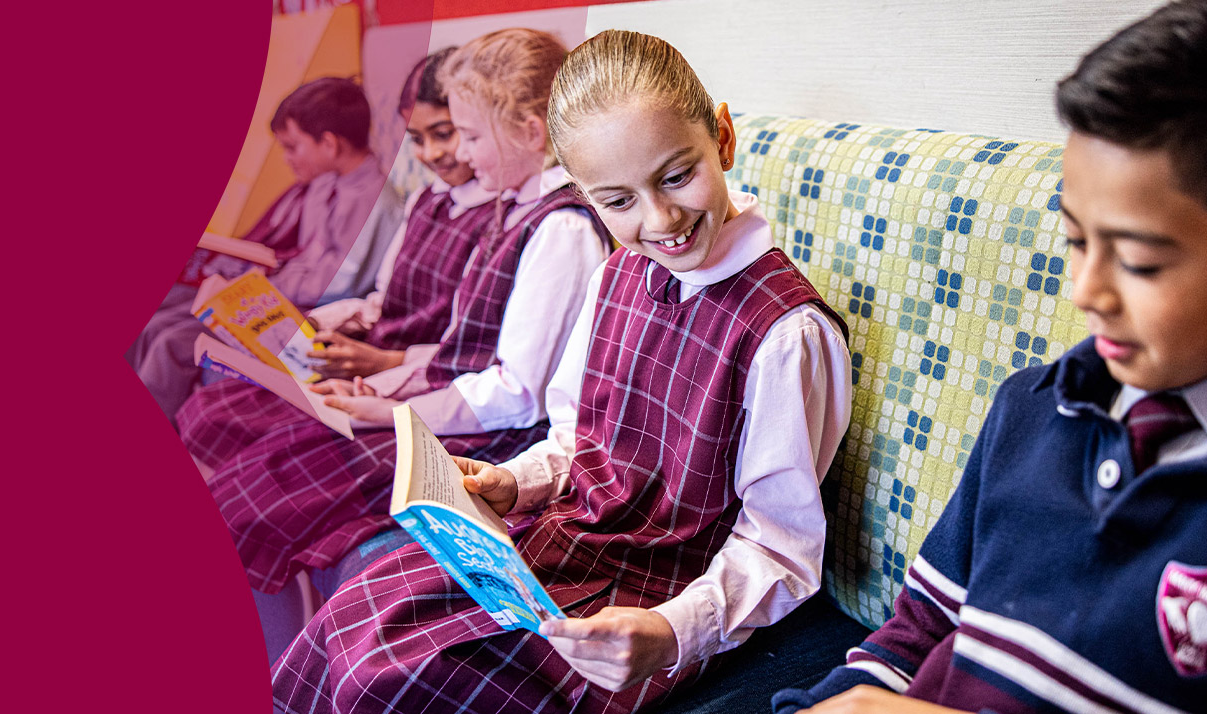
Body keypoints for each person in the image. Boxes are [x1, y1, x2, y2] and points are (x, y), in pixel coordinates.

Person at [773, 2, 1207, 712]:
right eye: (1077, 240)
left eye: (1138, 261)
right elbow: (917, 630)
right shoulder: (1034, 405)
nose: (1086, 291)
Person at [272, 30, 852, 713]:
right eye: (618, 200)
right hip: (568, 541)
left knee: (397, 681)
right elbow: (577, 437)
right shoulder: (617, 274)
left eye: (676, 174)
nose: (661, 219)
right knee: (357, 618)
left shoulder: (788, 334)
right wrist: (512, 482)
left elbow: (781, 549)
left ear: (721, 138)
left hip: (657, 596)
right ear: (586, 193)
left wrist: (672, 632)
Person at [200, 29, 610, 663]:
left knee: (262, 493)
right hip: (448, 405)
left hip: (488, 437)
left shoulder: (561, 229)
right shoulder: (517, 207)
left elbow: (516, 392)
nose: (464, 156)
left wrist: (384, 407)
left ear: (531, 133)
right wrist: (382, 389)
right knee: (252, 476)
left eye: (469, 136)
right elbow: (456, 346)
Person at [173, 47, 501, 470]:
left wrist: (382, 362)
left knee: (264, 442)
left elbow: (474, 348)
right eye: (416, 139)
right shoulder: (425, 201)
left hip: (413, 372)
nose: (430, 154)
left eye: (446, 134)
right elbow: (381, 298)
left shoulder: (502, 219)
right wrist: (335, 321)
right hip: (374, 351)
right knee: (210, 407)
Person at [129, 77, 401, 419]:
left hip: (310, 313)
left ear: (329, 144)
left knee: (173, 340)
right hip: (285, 294)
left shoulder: (377, 201)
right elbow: (307, 255)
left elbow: (338, 283)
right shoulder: (323, 185)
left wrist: (265, 285)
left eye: (292, 147)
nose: (287, 158)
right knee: (163, 309)